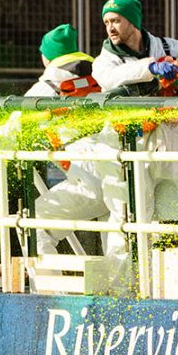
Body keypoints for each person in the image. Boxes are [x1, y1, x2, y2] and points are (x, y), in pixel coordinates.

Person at [92, 0, 178, 287]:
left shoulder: (170, 47)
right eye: (107, 22)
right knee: (128, 221)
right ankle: (122, 292)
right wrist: (150, 67)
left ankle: (175, 286)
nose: (110, 27)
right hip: (126, 151)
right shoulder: (106, 59)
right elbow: (110, 78)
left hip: (168, 146)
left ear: (133, 21)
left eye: (116, 20)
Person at [25, 23, 109, 257]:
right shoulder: (103, 77)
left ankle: (48, 281)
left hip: (91, 181)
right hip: (123, 178)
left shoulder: (46, 88)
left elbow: (13, 126)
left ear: (47, 56)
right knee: (118, 251)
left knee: (33, 221)